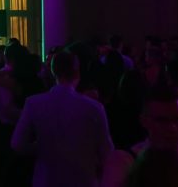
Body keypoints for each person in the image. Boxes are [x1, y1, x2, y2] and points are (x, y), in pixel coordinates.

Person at [11, 51, 114, 187]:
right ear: (77, 72)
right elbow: (107, 152)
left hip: (46, 179)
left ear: (53, 71)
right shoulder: (94, 107)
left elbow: (17, 144)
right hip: (83, 179)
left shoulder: (33, 103)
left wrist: (41, 146)